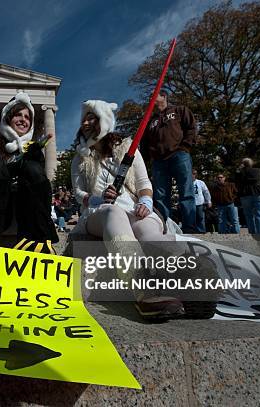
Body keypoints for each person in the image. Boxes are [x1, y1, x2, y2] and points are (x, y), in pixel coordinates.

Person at [71, 100, 189, 320]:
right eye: (84, 119)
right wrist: (97, 199)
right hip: (99, 213)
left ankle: (190, 270)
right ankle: (142, 287)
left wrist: (145, 202)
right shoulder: (80, 158)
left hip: (133, 208)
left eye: (91, 117)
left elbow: (144, 184)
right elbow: (79, 193)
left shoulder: (127, 148)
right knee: (113, 213)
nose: (86, 123)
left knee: (148, 232)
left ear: (104, 120)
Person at [0, 92, 58, 252]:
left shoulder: (35, 152)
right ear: (7, 118)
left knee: (33, 169)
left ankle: (37, 241)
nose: (23, 120)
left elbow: (41, 189)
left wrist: (32, 157)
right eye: (18, 115)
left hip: (27, 218)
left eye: (27, 117)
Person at [141, 90, 197, 233]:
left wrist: (185, 147)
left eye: (154, 96)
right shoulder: (150, 120)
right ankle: (166, 228)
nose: (151, 99)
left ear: (164, 96)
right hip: (159, 161)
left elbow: (191, 127)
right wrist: (148, 159)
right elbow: (144, 142)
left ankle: (190, 228)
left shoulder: (179, 110)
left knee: (186, 191)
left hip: (179, 155)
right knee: (160, 196)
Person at [236, 158, 260, 234]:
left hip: (245, 194)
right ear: (251, 164)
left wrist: (239, 169)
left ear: (243, 164)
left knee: (248, 215)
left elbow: (237, 182)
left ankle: (252, 233)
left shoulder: (241, 172)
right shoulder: (259, 170)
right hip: (259, 192)